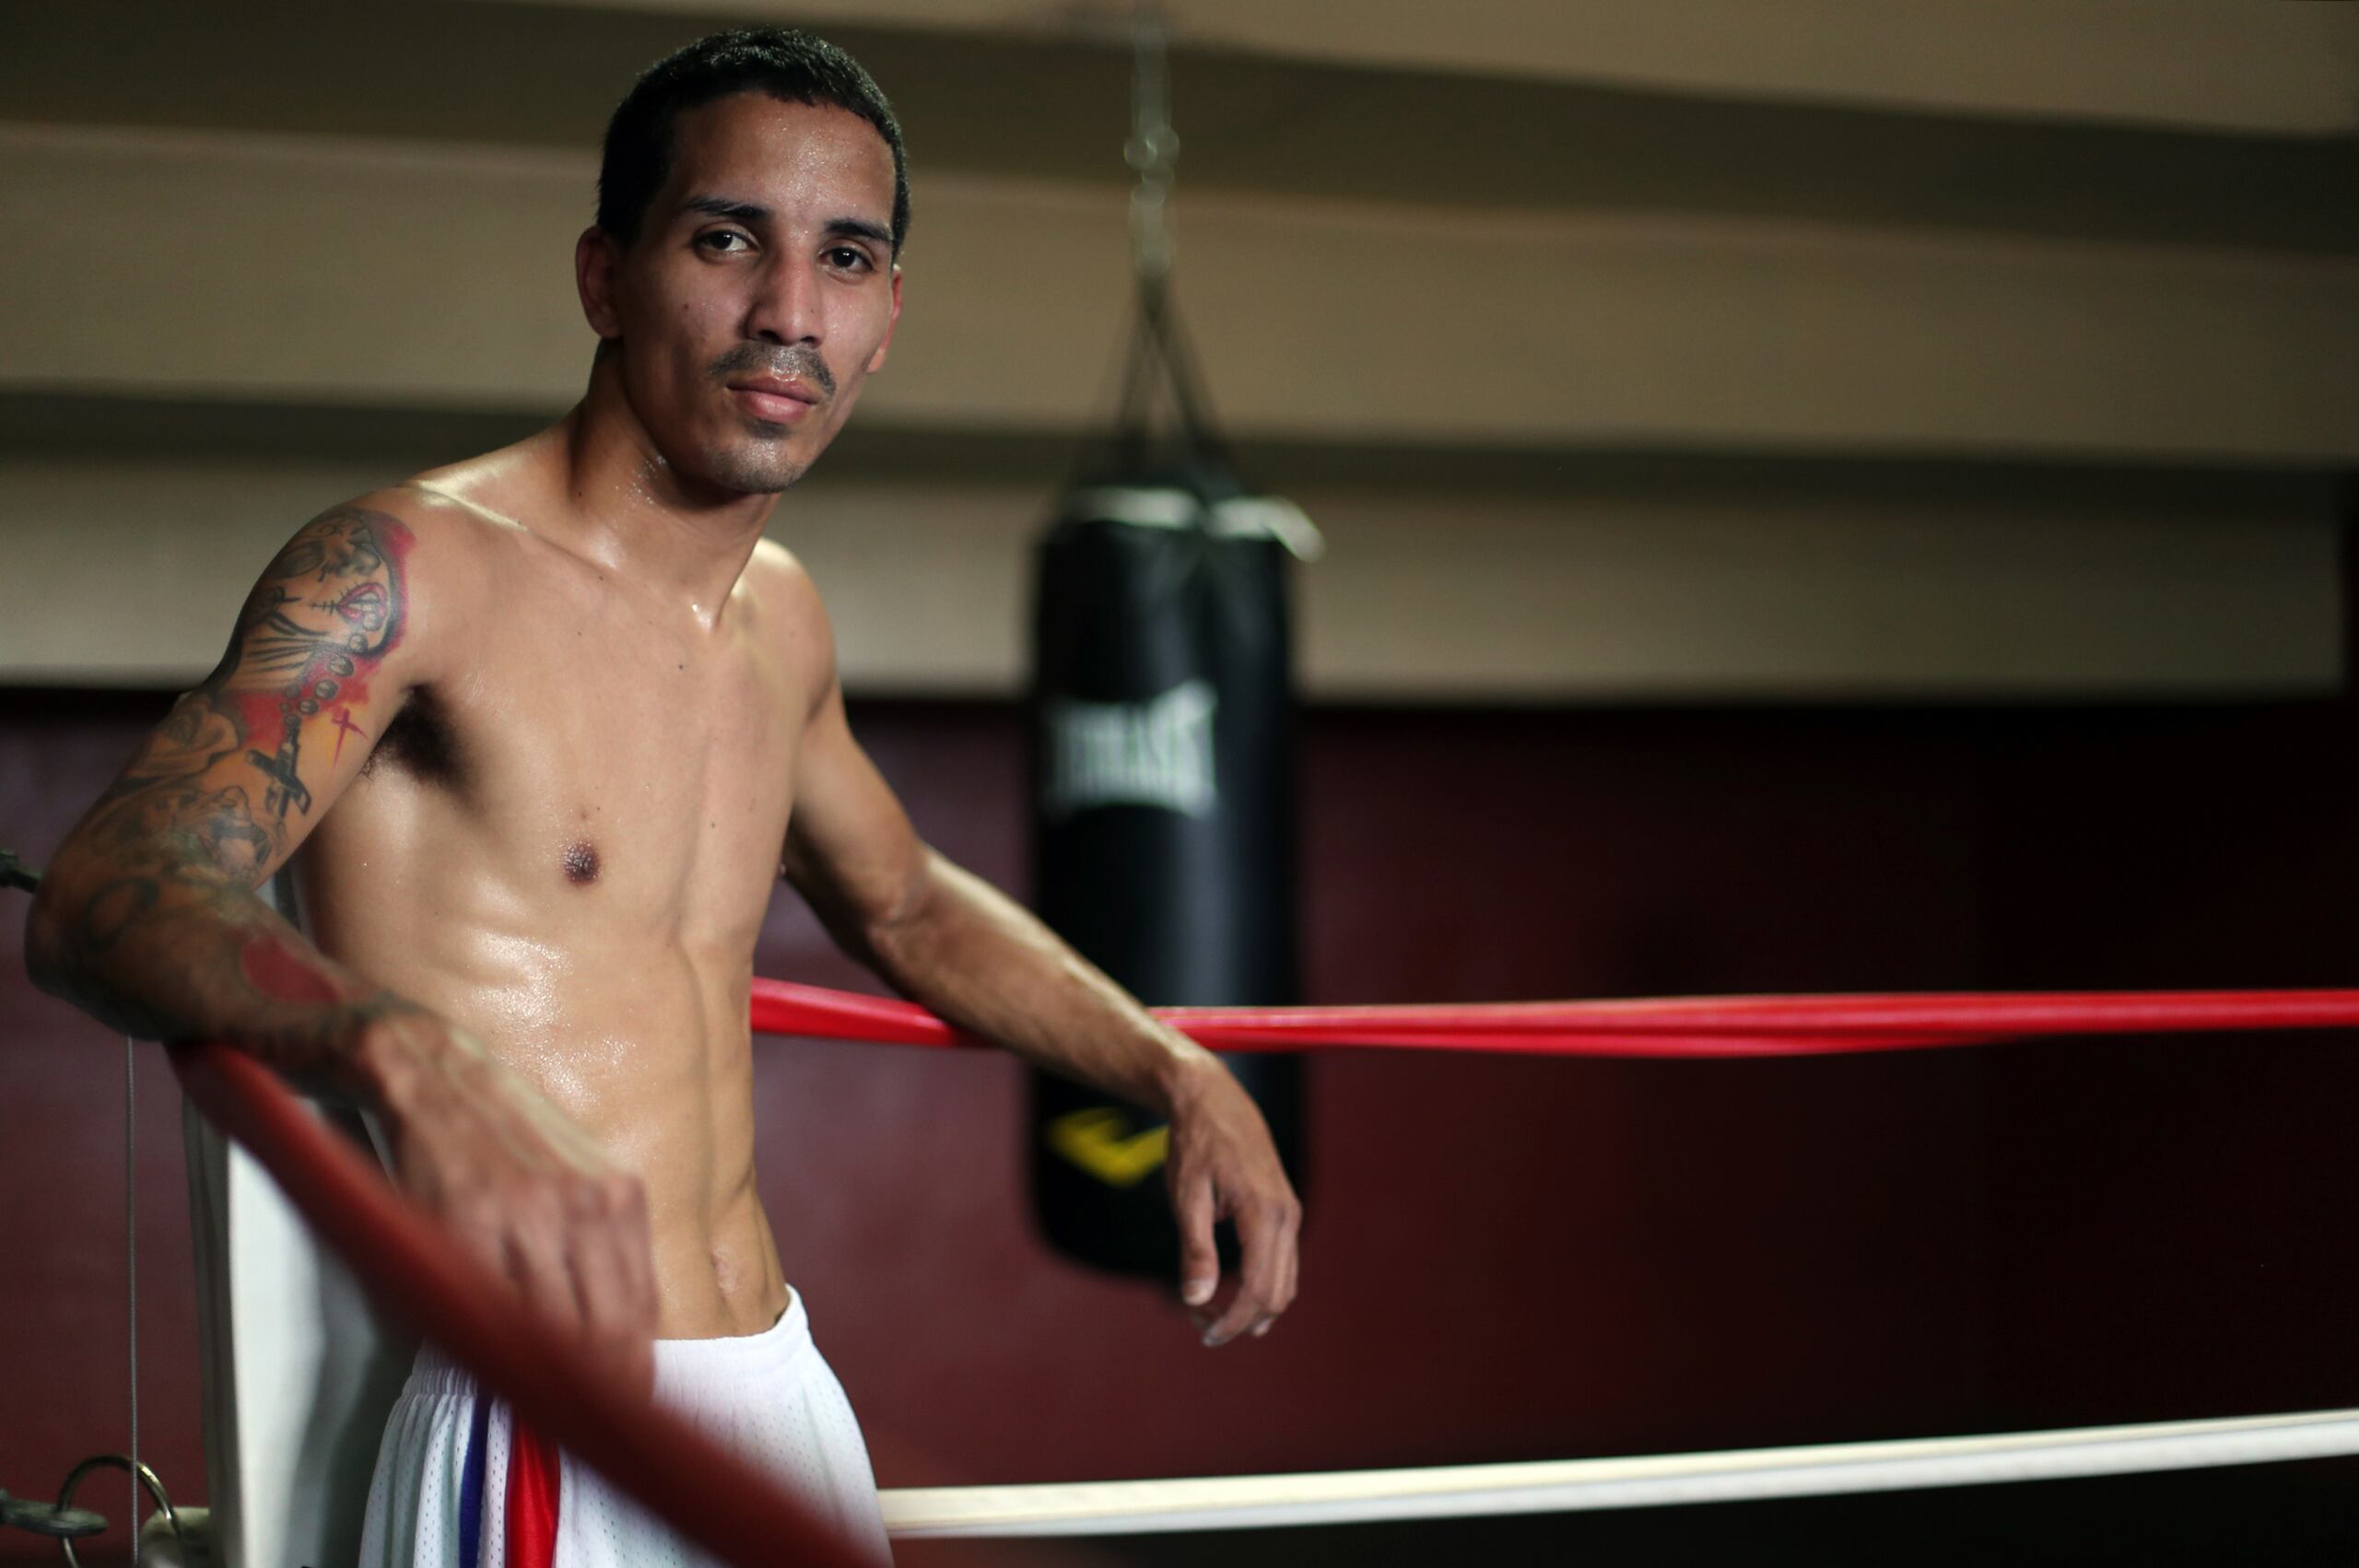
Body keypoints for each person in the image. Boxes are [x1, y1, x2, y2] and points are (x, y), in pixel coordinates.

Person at [22, 27, 1300, 1565]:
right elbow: (109, 883)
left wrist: (1173, 1066)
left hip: (778, 1376)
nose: (786, 313)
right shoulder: (412, 574)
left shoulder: (780, 615)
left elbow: (896, 894)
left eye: (844, 259)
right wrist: (398, 1046)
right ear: (603, 276)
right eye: (724, 240)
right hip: (544, 1412)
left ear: (888, 316)